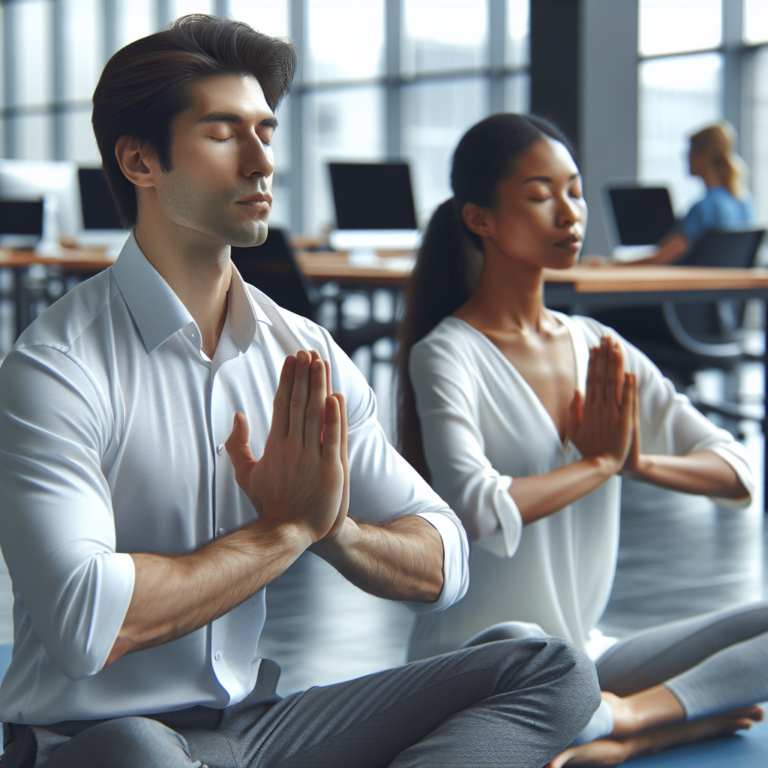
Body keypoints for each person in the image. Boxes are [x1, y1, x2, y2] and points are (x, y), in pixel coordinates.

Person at [0, 17, 603, 768]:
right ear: (140, 160)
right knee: (138, 750)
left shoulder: (303, 351)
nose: (262, 163)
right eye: (223, 133)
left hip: (253, 734)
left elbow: (445, 560)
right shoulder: (56, 367)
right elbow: (86, 624)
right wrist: (283, 530)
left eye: (266, 132)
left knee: (547, 665)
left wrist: (334, 528)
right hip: (92, 742)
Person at [397, 113, 768, 766]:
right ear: (480, 218)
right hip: (480, 663)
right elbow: (479, 508)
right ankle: (652, 727)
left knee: (579, 667)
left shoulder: (600, 347)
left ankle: (629, 721)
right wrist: (599, 464)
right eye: (540, 195)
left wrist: (637, 462)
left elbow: (739, 471)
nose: (569, 213)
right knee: (523, 656)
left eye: (574, 190)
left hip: (585, 653)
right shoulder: (447, 354)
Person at [615, 122, 754, 266]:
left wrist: (614, 264)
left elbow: (660, 259)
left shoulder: (704, 209)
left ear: (704, 154)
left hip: (694, 280)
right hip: (731, 281)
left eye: (690, 149)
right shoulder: (744, 202)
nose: (685, 156)